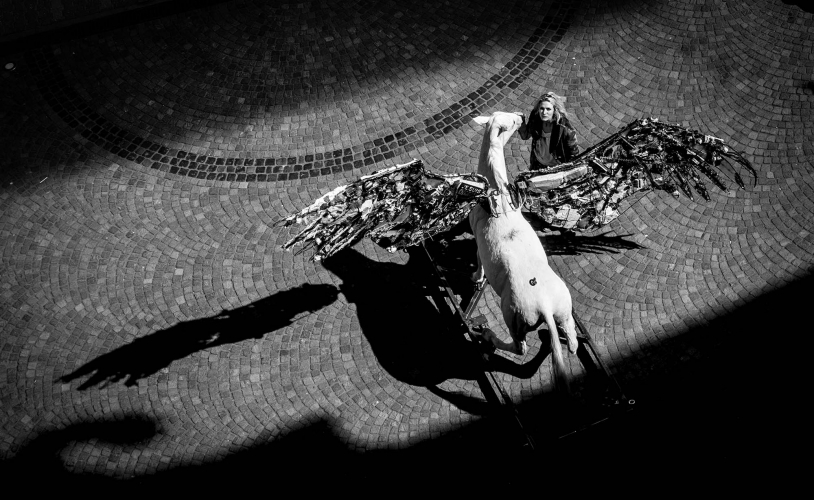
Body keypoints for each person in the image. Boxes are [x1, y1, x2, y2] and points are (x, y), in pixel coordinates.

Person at [518, 92, 580, 170]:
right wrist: (520, 122)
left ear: (555, 110)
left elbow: (573, 155)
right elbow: (525, 135)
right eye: (542, 108)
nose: (544, 113)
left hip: (555, 167)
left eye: (548, 109)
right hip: (537, 163)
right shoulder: (536, 118)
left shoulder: (566, 130)